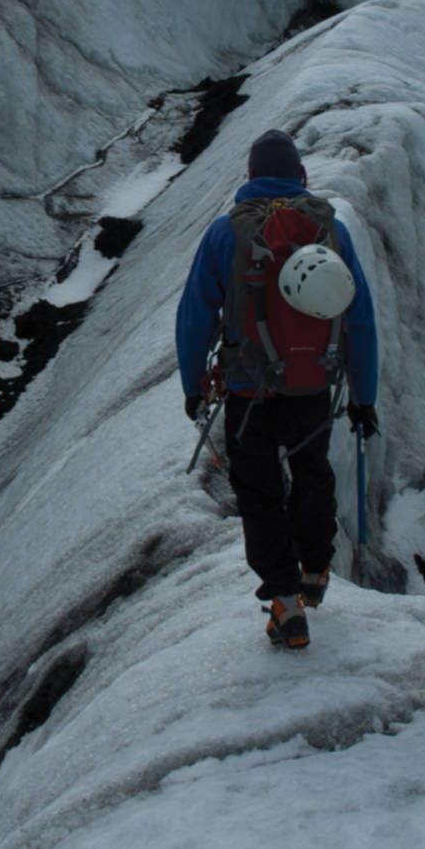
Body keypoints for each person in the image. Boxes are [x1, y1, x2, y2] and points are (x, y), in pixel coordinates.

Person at [176, 129, 378, 650]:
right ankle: (316, 569)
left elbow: (197, 315)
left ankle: (285, 606)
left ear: (249, 177)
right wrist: (364, 396)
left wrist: (194, 385)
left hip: (249, 391)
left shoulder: (226, 234)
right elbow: (359, 317)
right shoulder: (330, 230)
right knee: (312, 473)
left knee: (261, 492)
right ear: (301, 177)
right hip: (312, 383)